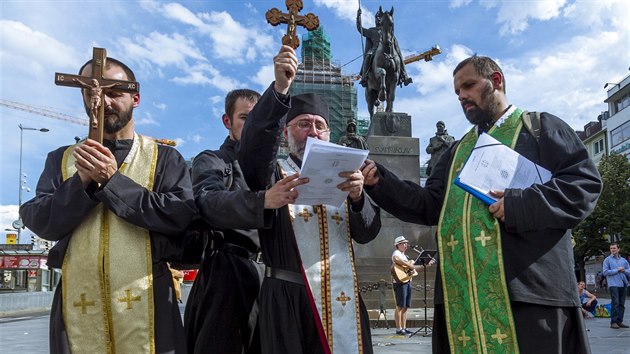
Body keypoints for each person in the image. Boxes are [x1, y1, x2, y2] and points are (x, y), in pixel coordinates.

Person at [361, 55, 602, 353]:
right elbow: (428, 204)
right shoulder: (455, 151)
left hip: (528, 295)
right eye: (458, 92)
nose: (462, 96)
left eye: (469, 86)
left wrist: (518, 205)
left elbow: (583, 186)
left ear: (496, 80)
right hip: (462, 297)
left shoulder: (540, 128)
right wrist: (379, 181)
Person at [19, 57, 196, 353]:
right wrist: (81, 183)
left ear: (135, 98)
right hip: (78, 298)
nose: (101, 101)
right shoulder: (61, 160)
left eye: (114, 92)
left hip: (148, 299)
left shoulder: (164, 159)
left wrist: (113, 182)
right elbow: (41, 220)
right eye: (91, 93)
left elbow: (180, 216)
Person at [237, 45, 382, 354]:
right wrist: (280, 89)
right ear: (287, 132)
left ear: (328, 133)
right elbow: (252, 147)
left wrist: (358, 198)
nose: (312, 132)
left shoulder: (347, 173)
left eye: (319, 125)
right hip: (288, 299)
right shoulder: (272, 172)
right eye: (303, 124)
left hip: (341, 295)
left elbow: (368, 232)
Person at [184, 88, 291, 353]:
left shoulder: (278, 169)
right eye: (245, 117)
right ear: (227, 121)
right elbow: (206, 203)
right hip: (226, 275)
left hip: (270, 278)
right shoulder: (212, 160)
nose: (252, 125)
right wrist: (262, 200)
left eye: (257, 119)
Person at [356, 7, 411, 88]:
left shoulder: (388, 32)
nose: (378, 19)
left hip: (389, 50)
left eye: (379, 17)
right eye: (377, 17)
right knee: (368, 55)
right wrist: (358, 17)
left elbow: (394, 43)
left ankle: (404, 75)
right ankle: (365, 76)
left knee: (399, 56)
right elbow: (360, 29)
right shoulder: (372, 31)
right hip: (375, 49)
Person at [602, 242, 630, 329]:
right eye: (611, 248)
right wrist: (617, 270)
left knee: (622, 304)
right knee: (615, 303)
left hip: (623, 284)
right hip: (613, 284)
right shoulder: (607, 260)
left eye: (614, 248)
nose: (613, 250)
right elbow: (605, 272)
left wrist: (623, 270)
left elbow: (629, 272)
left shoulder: (624, 261)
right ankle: (613, 322)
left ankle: (619, 321)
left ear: (618, 249)